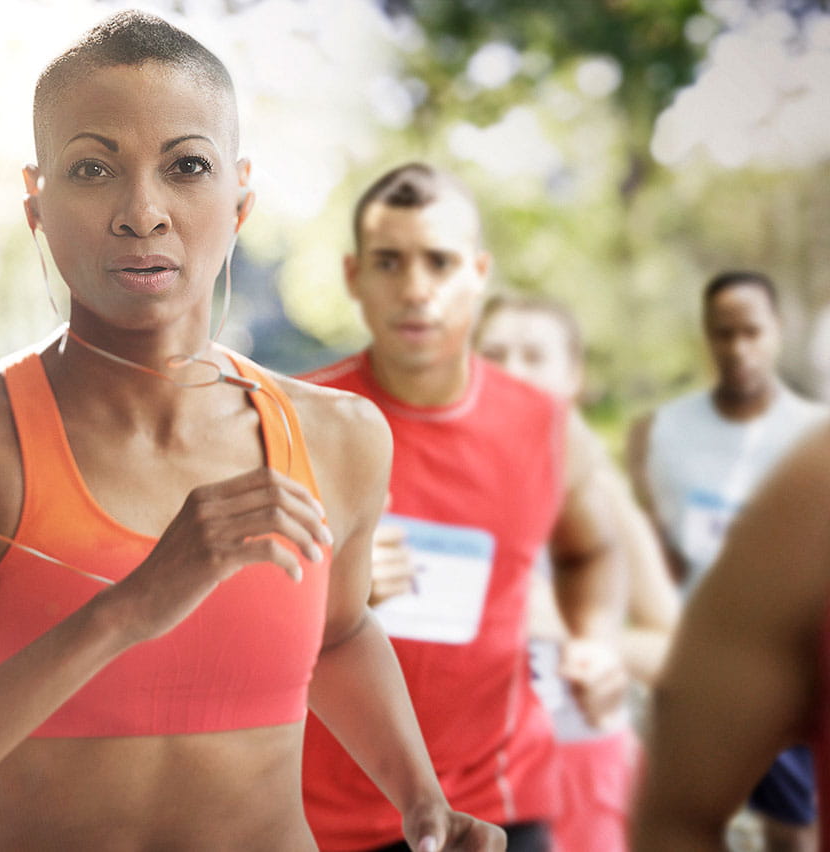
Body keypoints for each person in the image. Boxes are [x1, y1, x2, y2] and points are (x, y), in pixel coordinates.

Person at [0, 12, 503, 851]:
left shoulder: (341, 436)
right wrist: (129, 609)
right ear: (36, 201)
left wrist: (420, 797)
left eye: (186, 166)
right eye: (92, 168)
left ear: (241, 198)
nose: (142, 212)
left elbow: (337, 633)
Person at [299, 163, 628, 852]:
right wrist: (331, 591)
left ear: (478, 271)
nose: (416, 290)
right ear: (354, 275)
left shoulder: (545, 425)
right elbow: (216, 611)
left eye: (439, 263)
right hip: (319, 817)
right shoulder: (296, 419)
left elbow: (591, 551)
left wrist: (594, 642)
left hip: (496, 804)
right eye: (389, 262)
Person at [626, 270, 829, 851]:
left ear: (778, 332)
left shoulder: (811, 438)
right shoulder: (659, 433)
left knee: (792, 830)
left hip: (790, 666)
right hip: (696, 669)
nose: (738, 349)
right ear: (706, 336)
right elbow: (655, 552)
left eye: (752, 332)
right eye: (724, 333)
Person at [476, 292, 682, 852]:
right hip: (464, 782)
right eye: (493, 353)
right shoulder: (433, 485)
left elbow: (677, 654)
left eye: (533, 356)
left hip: (582, 775)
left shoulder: (602, 496)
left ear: (573, 376)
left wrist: (571, 627)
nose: (512, 371)